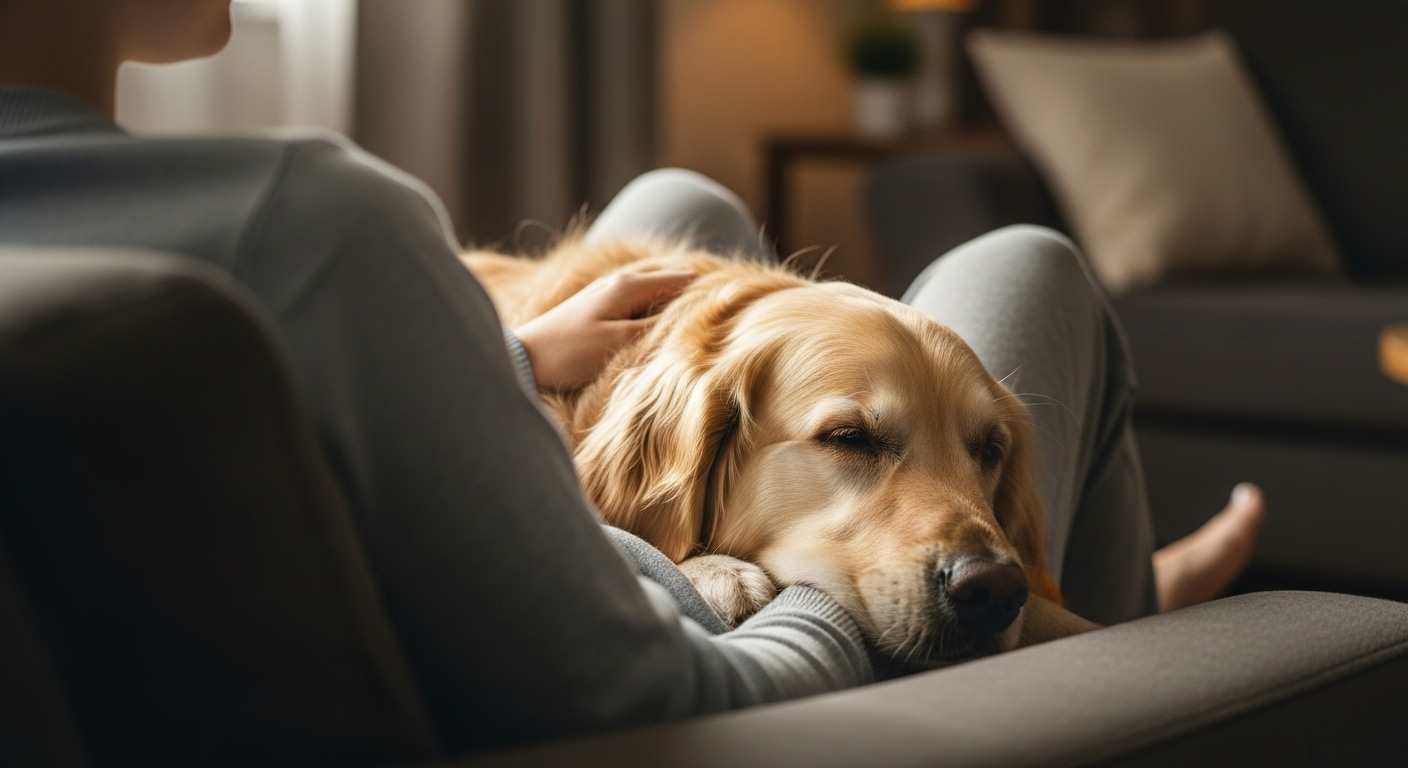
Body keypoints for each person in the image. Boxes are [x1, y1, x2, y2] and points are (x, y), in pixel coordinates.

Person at [0, 0, 1263, 756]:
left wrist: (492, 367)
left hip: (549, 607)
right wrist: (807, 582)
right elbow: (656, 701)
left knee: (681, 210)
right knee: (1028, 264)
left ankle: (1099, 583)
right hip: (724, 690)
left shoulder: (138, 251)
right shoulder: (311, 227)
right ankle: (1108, 624)